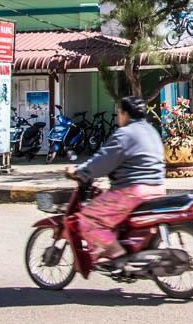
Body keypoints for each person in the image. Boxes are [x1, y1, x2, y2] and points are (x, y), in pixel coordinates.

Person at [64, 96, 165, 271]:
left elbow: (102, 161)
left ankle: (118, 254)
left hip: (132, 192)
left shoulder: (125, 134)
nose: (118, 117)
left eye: (118, 113)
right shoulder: (152, 131)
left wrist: (80, 171)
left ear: (125, 114)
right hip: (157, 189)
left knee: (87, 219)